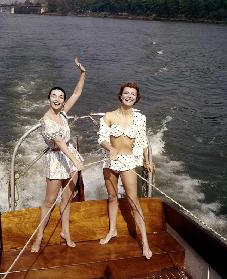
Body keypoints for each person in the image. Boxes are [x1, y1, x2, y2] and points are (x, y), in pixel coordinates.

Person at [31, 58, 86, 252]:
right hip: (56, 160)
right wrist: (76, 161)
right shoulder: (46, 120)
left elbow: (77, 92)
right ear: (48, 99)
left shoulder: (63, 113)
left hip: (71, 159)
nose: (57, 99)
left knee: (67, 199)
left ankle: (66, 233)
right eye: (53, 96)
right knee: (49, 201)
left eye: (60, 96)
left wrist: (82, 74)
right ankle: (38, 238)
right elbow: (60, 143)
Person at [97, 82, 153, 260]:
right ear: (120, 95)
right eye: (126, 93)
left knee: (133, 201)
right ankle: (112, 230)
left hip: (128, 162)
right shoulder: (109, 116)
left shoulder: (140, 118)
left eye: (133, 94)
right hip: (111, 161)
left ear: (137, 98)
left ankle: (144, 242)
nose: (129, 96)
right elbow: (102, 139)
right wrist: (109, 148)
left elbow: (143, 141)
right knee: (113, 198)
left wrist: (147, 161)